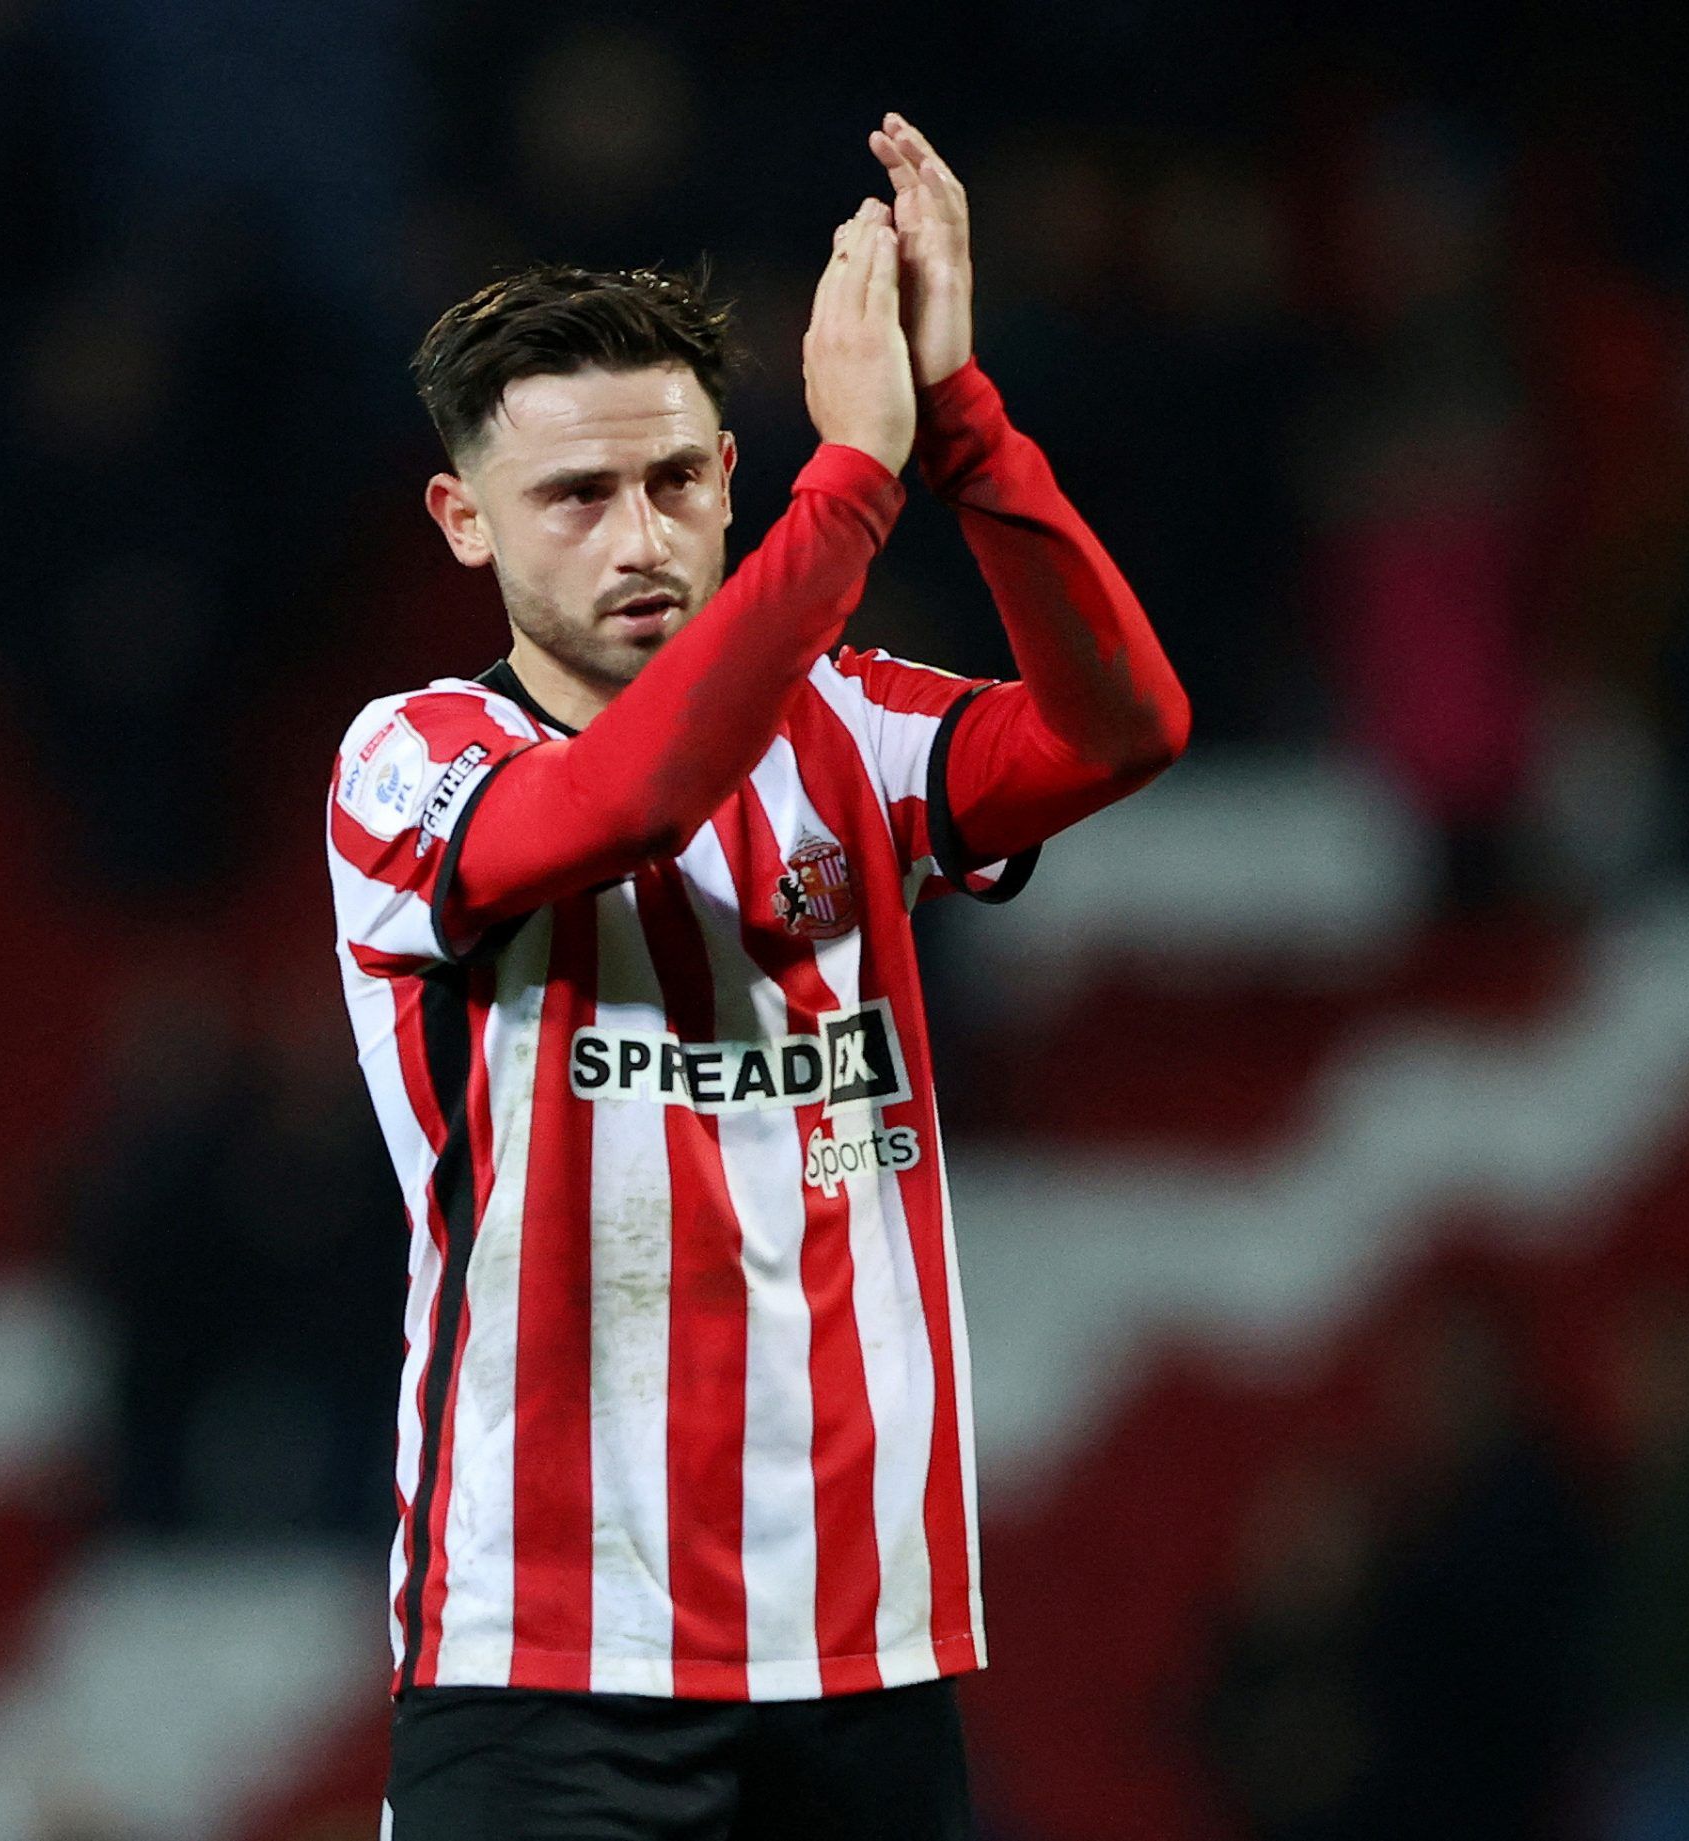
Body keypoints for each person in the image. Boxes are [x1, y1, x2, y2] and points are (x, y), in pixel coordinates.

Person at [325, 115, 1189, 1839]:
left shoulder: (851, 724)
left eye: (680, 482)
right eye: (574, 495)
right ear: (463, 523)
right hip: (546, 1661)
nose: (640, 536)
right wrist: (848, 488)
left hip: (861, 1652)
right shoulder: (404, 763)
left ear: (730, 471)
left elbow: (1125, 727)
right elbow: (632, 792)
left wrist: (959, 426)